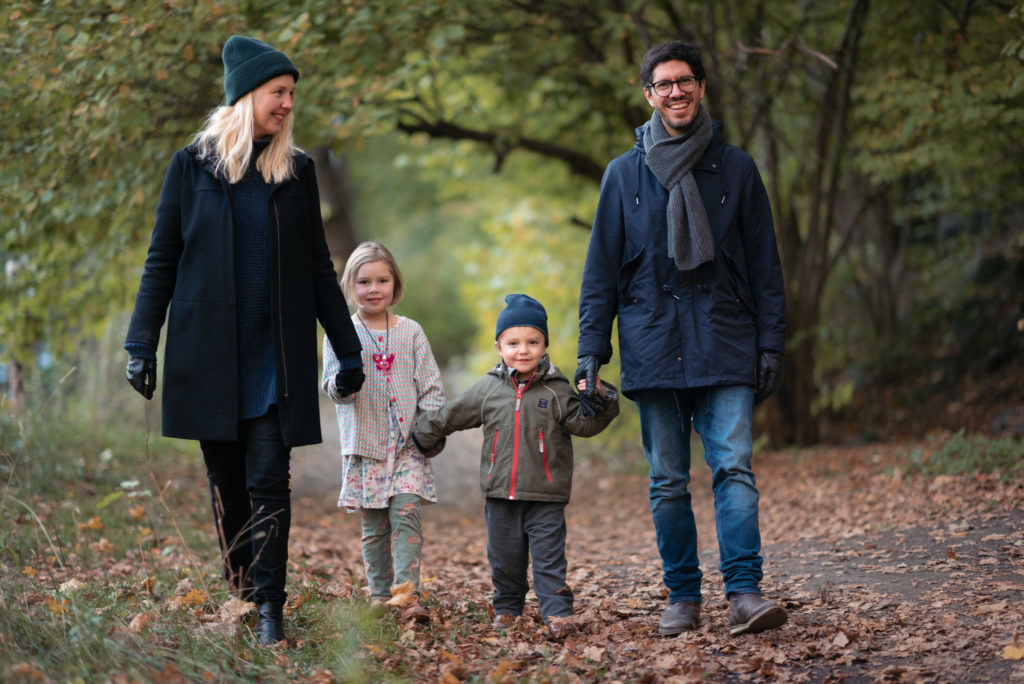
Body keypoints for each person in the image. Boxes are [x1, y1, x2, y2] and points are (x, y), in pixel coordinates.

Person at [123, 35, 365, 646]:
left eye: (290, 94)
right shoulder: (192, 166)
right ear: (246, 96)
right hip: (209, 355)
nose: (287, 104)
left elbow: (317, 267)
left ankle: (268, 611)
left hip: (274, 353)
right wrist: (140, 343)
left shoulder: (299, 170)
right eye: (278, 92)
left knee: (268, 479)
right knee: (226, 484)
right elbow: (162, 260)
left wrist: (348, 349)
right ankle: (240, 588)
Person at [575, 41, 788, 637]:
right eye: (664, 83)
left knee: (734, 470)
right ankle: (684, 596)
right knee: (668, 480)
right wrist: (591, 351)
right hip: (652, 342)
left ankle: (745, 594)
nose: (676, 91)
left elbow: (766, 266)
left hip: (726, 338)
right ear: (648, 94)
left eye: (685, 80)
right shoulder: (623, 175)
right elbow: (600, 273)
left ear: (700, 86)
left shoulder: (737, 168)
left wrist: (772, 343)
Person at [414, 294, 619, 639]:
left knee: (549, 559)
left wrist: (603, 399)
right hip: (499, 494)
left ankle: (557, 613)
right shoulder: (489, 388)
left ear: (544, 345)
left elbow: (584, 424)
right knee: (505, 559)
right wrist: (424, 433)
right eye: (513, 342)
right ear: (499, 347)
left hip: (546, 495)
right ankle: (508, 608)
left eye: (532, 342)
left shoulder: (556, 389)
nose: (522, 350)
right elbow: (455, 412)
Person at [321, 242, 445, 622]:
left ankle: (407, 596)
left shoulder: (411, 332)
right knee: (375, 526)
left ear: (395, 284)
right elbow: (329, 386)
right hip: (367, 445)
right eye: (364, 282)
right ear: (350, 286)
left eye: (382, 280)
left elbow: (432, 388)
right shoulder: (340, 333)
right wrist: (343, 383)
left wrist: (431, 426)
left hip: (408, 444)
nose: (373, 289)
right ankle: (378, 594)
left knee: (406, 514)